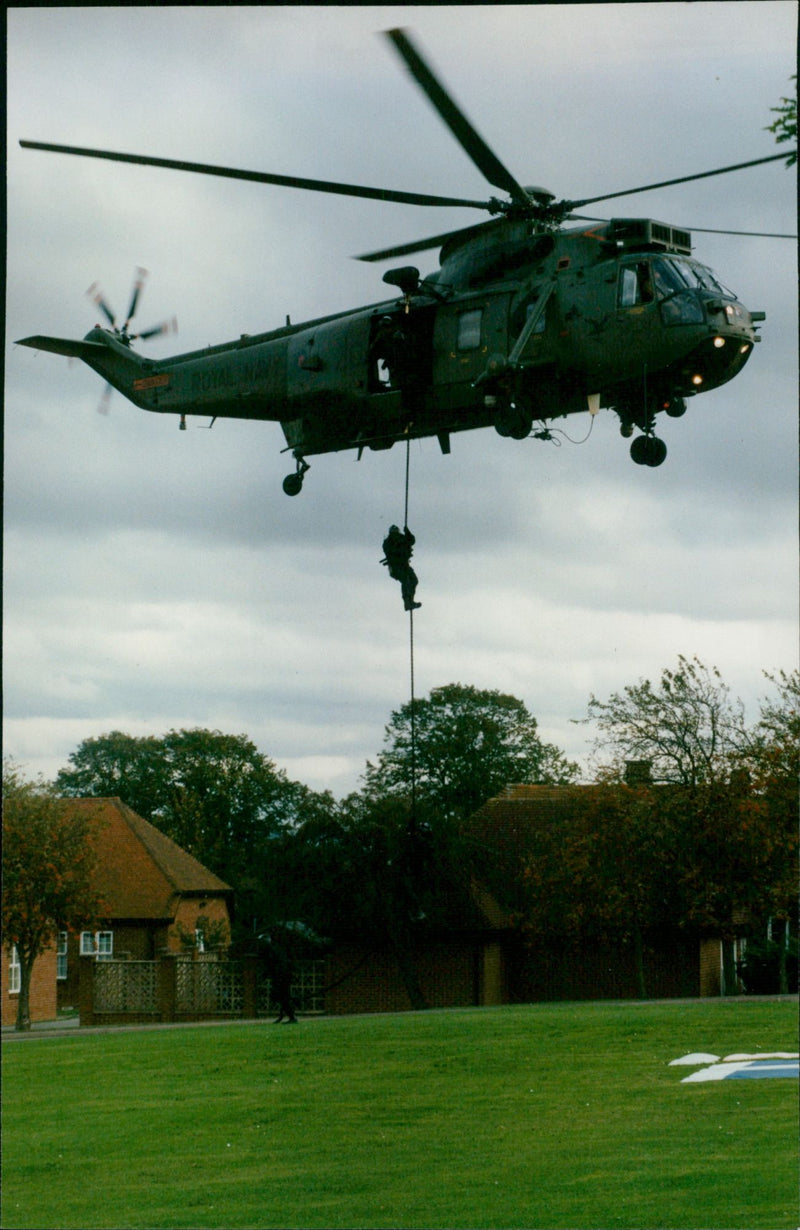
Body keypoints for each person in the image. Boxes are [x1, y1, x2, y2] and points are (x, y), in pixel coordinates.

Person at [381, 525, 421, 611]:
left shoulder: (401, 538)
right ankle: (407, 602)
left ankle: (410, 601)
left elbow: (411, 541)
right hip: (395, 568)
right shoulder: (388, 543)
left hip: (405, 566)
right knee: (406, 580)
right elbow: (390, 551)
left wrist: (408, 532)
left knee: (414, 580)